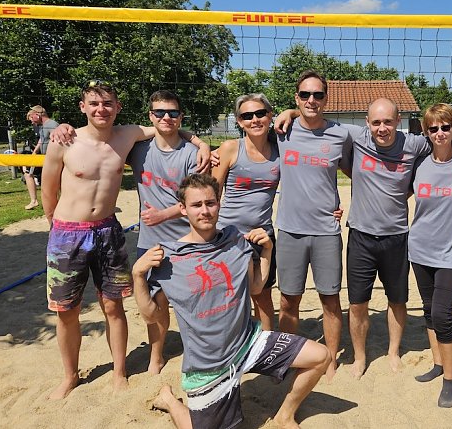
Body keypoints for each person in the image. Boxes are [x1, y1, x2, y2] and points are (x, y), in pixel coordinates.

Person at [275, 98, 452, 380]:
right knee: (357, 303)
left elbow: (444, 137)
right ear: (367, 124)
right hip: (360, 235)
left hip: (397, 237)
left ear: (399, 120)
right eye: (377, 122)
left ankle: (393, 351)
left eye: (388, 121)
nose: (382, 128)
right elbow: (315, 117)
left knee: (397, 301)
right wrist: (291, 110)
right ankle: (359, 357)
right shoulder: (355, 136)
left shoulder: (413, 143)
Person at [41, 80, 210, 400]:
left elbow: (168, 127)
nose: (101, 109)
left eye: (107, 104)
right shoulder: (65, 141)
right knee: (66, 311)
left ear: (117, 108)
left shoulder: (127, 134)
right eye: (94, 103)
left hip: (108, 230)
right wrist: (55, 226)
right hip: (67, 233)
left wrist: (200, 143)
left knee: (113, 306)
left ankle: (119, 372)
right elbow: (48, 191)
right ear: (83, 107)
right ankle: (69, 376)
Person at [133, 173, 330, 429]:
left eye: (210, 203)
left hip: (248, 342)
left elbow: (256, 286)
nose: (205, 211)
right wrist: (138, 275)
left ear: (219, 203)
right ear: (183, 209)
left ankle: (284, 415)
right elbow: (151, 316)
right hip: (208, 365)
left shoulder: (235, 240)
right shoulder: (168, 258)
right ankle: (170, 400)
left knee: (320, 356)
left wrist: (267, 251)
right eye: (196, 205)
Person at [273, 70, 352, 382]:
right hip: (290, 230)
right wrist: (287, 113)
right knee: (288, 300)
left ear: (326, 99)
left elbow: (360, 169)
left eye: (318, 95)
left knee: (330, 300)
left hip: (326, 232)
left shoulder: (341, 134)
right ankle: (288, 356)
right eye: (305, 95)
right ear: (296, 98)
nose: (311, 100)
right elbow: (248, 122)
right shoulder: (282, 130)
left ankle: (330, 359)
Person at [127, 90, 198, 374]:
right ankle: (156, 355)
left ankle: (196, 352)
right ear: (150, 117)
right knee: (153, 303)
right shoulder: (137, 149)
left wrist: (163, 214)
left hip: (186, 240)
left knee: (191, 302)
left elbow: (198, 199)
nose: (166, 117)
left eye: (172, 112)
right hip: (150, 240)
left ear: (181, 116)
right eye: (159, 112)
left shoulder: (192, 154)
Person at [409, 104, 452, 408]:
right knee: (428, 309)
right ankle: (437, 364)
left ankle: (450, 380)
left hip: (451, 253)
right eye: (433, 128)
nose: (439, 133)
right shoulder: (418, 164)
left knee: (443, 315)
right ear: (426, 131)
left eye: (445, 127)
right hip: (420, 250)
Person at [211, 93, 281, 332]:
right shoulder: (231, 149)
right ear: (239, 121)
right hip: (227, 236)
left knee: (263, 299)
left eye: (260, 113)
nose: (255, 120)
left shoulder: (280, 151)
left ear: (270, 116)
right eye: (247, 116)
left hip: (262, 236)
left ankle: (267, 352)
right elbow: (212, 195)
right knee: (226, 300)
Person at [23, 105, 59, 210]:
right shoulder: (43, 126)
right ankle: (34, 201)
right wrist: (34, 152)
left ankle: (55, 203)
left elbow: (57, 139)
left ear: (37, 115)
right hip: (42, 158)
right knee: (28, 173)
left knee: (53, 183)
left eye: (31, 118)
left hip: (51, 159)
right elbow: (41, 140)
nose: (31, 121)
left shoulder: (52, 124)